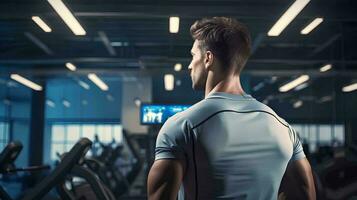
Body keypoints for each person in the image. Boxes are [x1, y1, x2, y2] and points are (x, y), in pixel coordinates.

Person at [147, 17, 316, 200]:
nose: (189, 65)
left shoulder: (182, 126)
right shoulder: (284, 129)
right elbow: (306, 195)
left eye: (193, 55)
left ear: (208, 58)